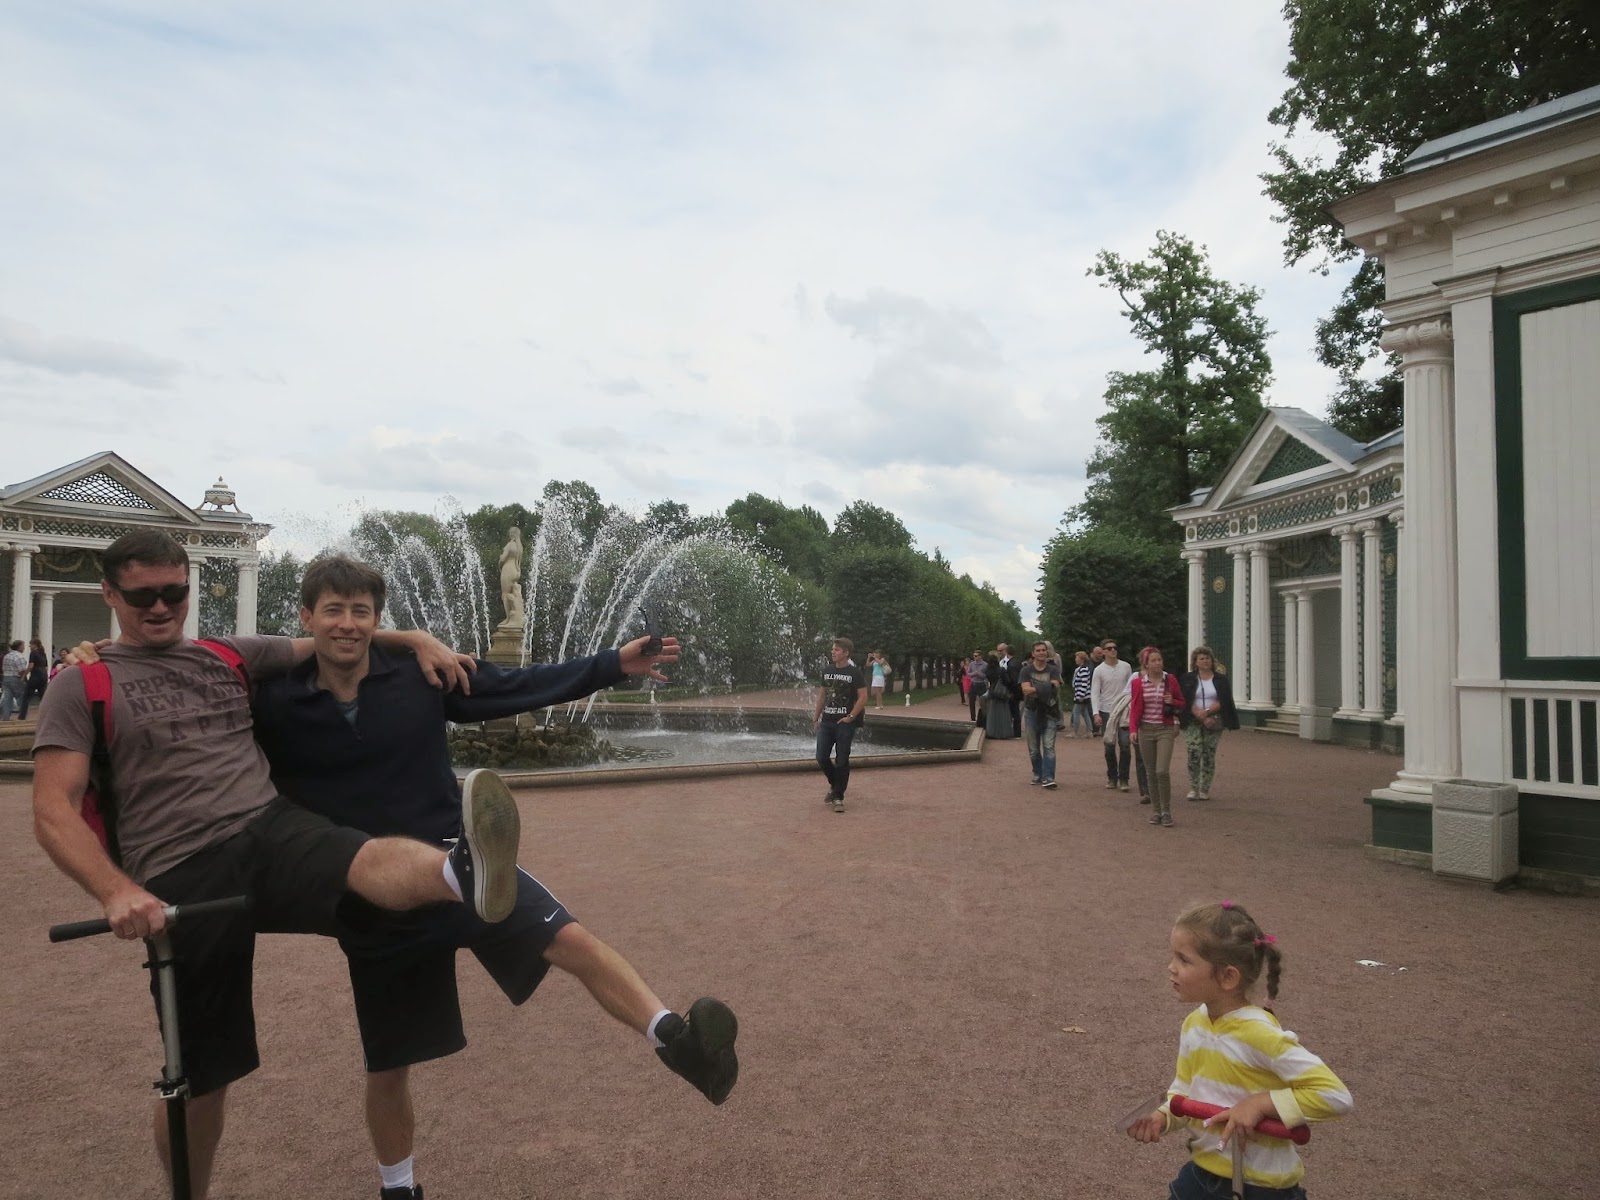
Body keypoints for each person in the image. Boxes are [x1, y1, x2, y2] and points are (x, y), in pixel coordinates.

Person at [31, 530, 523, 1200]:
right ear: (110, 595)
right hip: (181, 865)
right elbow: (52, 809)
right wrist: (115, 891)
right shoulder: (80, 683)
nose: (161, 607)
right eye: (143, 596)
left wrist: (413, 639)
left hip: (269, 827)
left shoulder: (226, 653)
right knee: (203, 1075)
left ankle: (463, 872)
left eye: (174, 592)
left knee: (362, 858)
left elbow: (335, 635)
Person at [249, 555, 738, 1200]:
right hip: (371, 894)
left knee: (572, 941)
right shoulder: (273, 699)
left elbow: (518, 686)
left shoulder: (421, 675)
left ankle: (675, 1039)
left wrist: (612, 665)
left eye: (361, 612)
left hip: (465, 862)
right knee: (390, 1065)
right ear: (305, 617)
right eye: (333, 610)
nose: (347, 624)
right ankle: (399, 1188)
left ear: (376, 618)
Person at [1126, 902, 1352, 1198]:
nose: (1171, 967)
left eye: (1183, 959)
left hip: (1263, 1187)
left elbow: (1335, 1096)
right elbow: (1185, 1092)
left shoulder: (1260, 1034)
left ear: (1227, 977)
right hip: (1202, 1174)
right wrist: (1163, 1117)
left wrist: (1259, 1105)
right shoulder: (1194, 1024)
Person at [1129, 647, 1186, 828]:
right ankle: (1156, 810)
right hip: (1145, 729)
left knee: (1162, 770)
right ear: (1146, 664)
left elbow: (1182, 702)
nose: (1157, 663)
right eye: (1153, 661)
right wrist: (1133, 729)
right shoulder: (1138, 683)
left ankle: (1166, 811)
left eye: (1159, 660)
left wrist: (1172, 701)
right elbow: (1135, 708)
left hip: (1165, 729)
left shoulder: (1170, 680)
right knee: (1151, 772)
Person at [1179, 646, 1239, 802]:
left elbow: (1224, 699)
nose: (1205, 661)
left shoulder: (1220, 679)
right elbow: (1185, 698)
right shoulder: (1188, 678)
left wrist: (1207, 712)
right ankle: (1193, 787)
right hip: (1193, 719)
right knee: (1194, 751)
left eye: (1207, 658)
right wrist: (1199, 714)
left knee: (1208, 754)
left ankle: (1204, 788)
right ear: (1195, 662)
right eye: (1202, 659)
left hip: (1213, 720)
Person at [814, 637, 867, 813]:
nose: (833, 652)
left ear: (846, 653)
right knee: (821, 757)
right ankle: (835, 784)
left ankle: (838, 796)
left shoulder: (855, 673)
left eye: (836, 650)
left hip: (844, 723)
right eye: (833, 649)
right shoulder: (827, 671)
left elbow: (863, 697)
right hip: (827, 721)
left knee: (842, 759)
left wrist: (851, 717)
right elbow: (822, 695)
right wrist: (816, 718)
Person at [1017, 641, 1063, 788]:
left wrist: (1034, 688)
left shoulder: (1053, 669)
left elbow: (1055, 687)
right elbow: (1025, 690)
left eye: (1044, 650)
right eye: (1038, 650)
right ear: (1033, 653)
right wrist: (1046, 687)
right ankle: (1038, 773)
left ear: (1047, 652)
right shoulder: (1025, 670)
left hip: (1050, 711)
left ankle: (1048, 777)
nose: (1041, 652)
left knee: (1049, 746)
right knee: (1033, 748)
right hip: (1032, 711)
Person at [1090, 640, 1133, 790]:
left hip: (1123, 709)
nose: (1113, 650)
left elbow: (1131, 688)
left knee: (1125, 744)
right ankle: (1112, 777)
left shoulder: (1126, 667)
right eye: (1109, 648)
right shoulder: (1099, 670)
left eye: (1115, 647)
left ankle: (1124, 779)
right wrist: (1096, 713)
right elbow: (1095, 692)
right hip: (1106, 710)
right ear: (1103, 652)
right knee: (1109, 745)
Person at [982, 651, 1015, 740]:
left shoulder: (988, 671)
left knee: (992, 714)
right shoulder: (1001, 670)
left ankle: (992, 732)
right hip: (1001, 694)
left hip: (992, 693)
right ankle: (1003, 733)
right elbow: (1007, 681)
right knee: (1003, 714)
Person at [993, 643, 1023, 736]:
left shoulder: (1011, 663)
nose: (999, 652)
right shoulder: (1003, 662)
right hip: (1009, 690)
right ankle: (1012, 731)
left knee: (1014, 711)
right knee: (1012, 711)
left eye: (1001, 651)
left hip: (1011, 691)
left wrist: (1012, 691)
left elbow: (1013, 680)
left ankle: (1016, 732)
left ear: (1006, 650)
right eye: (998, 651)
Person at [19, 636, 49, 719]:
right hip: (44, 676)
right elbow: (46, 667)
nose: (30, 646)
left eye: (31, 644)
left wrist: (24, 675)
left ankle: (22, 716)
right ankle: (46, 716)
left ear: (35, 645)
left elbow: (31, 666)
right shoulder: (43, 654)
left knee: (26, 697)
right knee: (42, 697)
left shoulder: (33, 653)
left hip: (35, 676)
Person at [1068, 650, 1094, 738]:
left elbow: (1084, 683)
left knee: (1076, 712)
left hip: (1081, 696)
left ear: (1082, 659)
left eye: (1077, 657)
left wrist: (1081, 695)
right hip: (1082, 695)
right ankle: (1090, 731)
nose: (1076, 659)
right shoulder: (1082, 669)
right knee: (1085, 713)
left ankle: (1075, 732)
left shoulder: (1083, 670)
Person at [1, 639, 27, 720]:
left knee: (7, 698)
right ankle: (22, 716)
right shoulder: (19, 656)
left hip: (6, 678)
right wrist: (24, 679)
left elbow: (3, 668)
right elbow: (22, 670)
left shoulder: (7, 656)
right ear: (19, 647)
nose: (24, 648)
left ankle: (5, 717)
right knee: (22, 697)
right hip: (16, 678)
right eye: (23, 646)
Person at [965, 651, 988, 724]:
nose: (974, 657)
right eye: (974, 656)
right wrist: (973, 674)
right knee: (971, 701)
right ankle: (973, 718)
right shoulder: (972, 664)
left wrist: (978, 674)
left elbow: (986, 676)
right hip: (973, 684)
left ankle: (983, 718)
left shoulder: (985, 665)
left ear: (980, 656)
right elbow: (968, 673)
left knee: (983, 702)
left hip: (981, 684)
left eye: (976, 656)